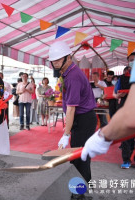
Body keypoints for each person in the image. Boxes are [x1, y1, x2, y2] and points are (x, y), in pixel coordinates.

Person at [81, 0, 135, 172]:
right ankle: (127, 159)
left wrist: (103, 135)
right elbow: (115, 94)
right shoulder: (121, 80)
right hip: (121, 106)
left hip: (132, 113)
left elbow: (132, 117)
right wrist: (118, 95)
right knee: (128, 139)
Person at [49, 41, 97, 183]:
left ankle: (81, 191)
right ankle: (80, 186)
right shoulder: (67, 73)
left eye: (58, 60)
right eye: (53, 61)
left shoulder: (73, 76)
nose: (56, 63)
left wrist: (66, 134)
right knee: (77, 155)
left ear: (68, 58)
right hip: (79, 118)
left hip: (84, 120)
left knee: (80, 157)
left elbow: (71, 108)